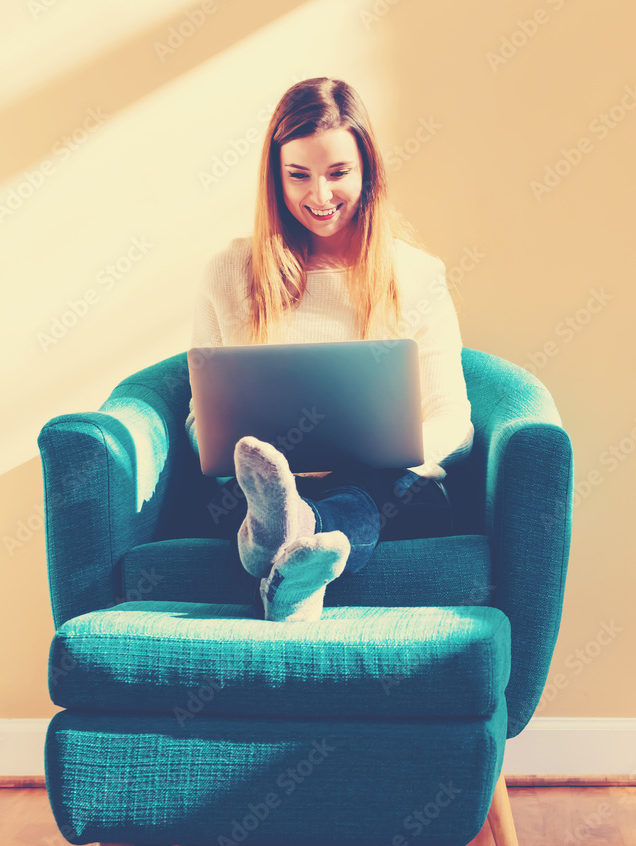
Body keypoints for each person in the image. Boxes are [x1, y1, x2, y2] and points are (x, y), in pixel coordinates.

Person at [185, 77, 474, 623]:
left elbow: (452, 415)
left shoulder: (415, 274)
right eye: (299, 176)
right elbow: (203, 415)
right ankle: (292, 556)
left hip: (391, 488)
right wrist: (228, 450)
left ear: (367, 171)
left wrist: (406, 451)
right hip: (263, 488)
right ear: (275, 178)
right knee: (258, 493)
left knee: (371, 486)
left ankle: (282, 537)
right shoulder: (228, 273)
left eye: (338, 173)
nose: (319, 196)